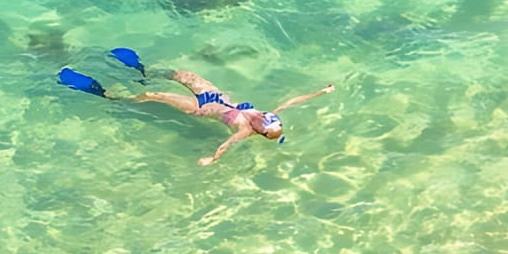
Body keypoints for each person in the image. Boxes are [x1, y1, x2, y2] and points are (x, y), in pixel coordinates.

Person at [58, 50, 335, 166]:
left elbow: (227, 145)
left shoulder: (243, 130)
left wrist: (212, 159)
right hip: (215, 95)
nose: (267, 116)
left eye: (267, 122)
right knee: (182, 74)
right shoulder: (264, 117)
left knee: (154, 95)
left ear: (260, 132)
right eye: (272, 117)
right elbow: (293, 102)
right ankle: (143, 71)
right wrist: (321, 91)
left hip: (199, 108)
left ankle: (107, 96)